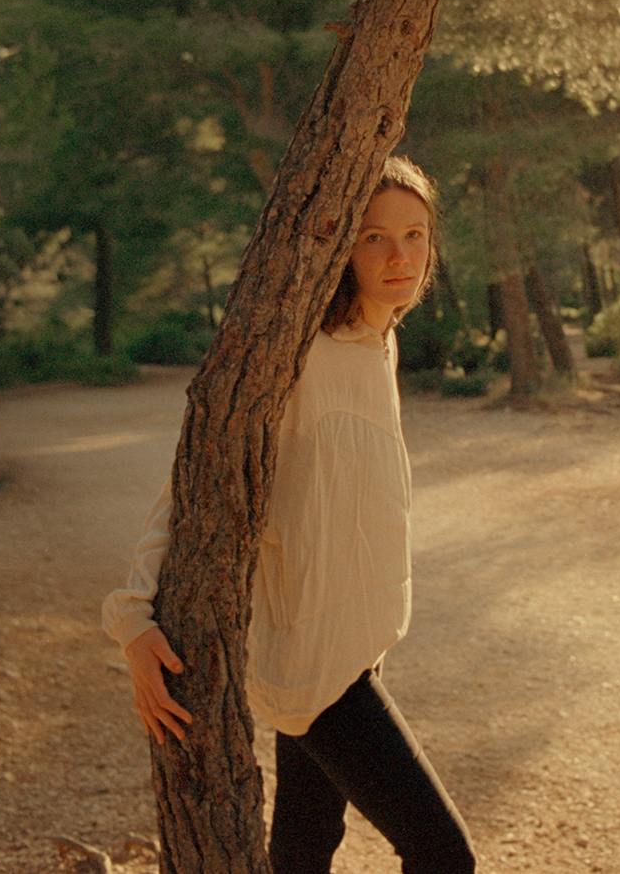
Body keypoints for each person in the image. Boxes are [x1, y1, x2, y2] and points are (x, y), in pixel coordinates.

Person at [102, 156, 475, 874]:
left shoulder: (381, 341)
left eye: (415, 235)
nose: (399, 257)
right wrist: (133, 618)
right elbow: (197, 478)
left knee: (305, 848)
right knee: (443, 854)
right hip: (315, 660)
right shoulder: (303, 353)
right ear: (342, 248)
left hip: (359, 642)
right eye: (373, 237)